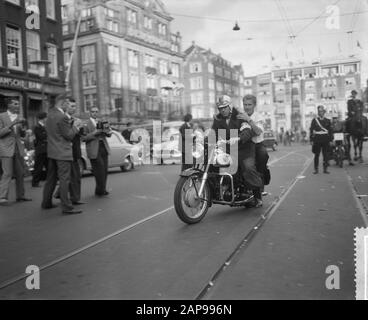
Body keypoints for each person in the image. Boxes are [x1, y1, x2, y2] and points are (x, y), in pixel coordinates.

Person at [212, 95, 263, 208]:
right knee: (214, 162)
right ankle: (220, 188)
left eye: (225, 107)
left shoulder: (240, 115)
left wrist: (239, 137)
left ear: (230, 106)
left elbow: (247, 130)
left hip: (245, 149)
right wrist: (202, 139)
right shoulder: (218, 119)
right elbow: (213, 133)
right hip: (229, 150)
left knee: (248, 167)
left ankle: (257, 195)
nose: (223, 110)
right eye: (220, 108)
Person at [41, 94, 82, 215]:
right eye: (67, 104)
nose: (67, 106)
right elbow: (68, 136)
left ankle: (46, 202)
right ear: (62, 103)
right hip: (62, 152)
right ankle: (66, 207)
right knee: (65, 180)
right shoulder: (62, 117)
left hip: (52, 152)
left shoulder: (49, 115)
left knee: (51, 179)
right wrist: (76, 127)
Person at [237, 95, 270, 203]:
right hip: (245, 145)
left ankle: (259, 192)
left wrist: (249, 120)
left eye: (249, 104)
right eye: (245, 104)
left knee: (263, 155)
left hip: (257, 144)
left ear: (254, 105)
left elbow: (258, 132)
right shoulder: (239, 116)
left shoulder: (258, 117)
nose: (247, 107)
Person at [0, 98, 32, 206]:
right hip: (6, 149)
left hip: (18, 148)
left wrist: (23, 129)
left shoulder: (19, 117)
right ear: (9, 105)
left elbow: (21, 135)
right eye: (15, 104)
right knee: (7, 173)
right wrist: (12, 124)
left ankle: (20, 196)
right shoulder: (1, 116)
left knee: (20, 173)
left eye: (18, 104)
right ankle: (2, 197)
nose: (17, 105)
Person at [83, 106, 112, 197]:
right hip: (94, 149)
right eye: (93, 111)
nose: (95, 113)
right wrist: (95, 133)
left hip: (103, 147)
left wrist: (108, 132)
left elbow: (108, 134)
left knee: (104, 170)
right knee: (99, 171)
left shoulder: (102, 122)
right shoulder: (86, 124)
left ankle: (101, 189)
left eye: (96, 111)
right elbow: (83, 138)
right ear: (90, 113)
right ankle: (100, 190)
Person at [310, 105, 333, 174]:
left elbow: (330, 131)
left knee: (325, 155)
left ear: (324, 112)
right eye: (319, 111)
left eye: (322, 111)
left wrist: (331, 140)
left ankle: (325, 169)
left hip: (325, 140)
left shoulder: (328, 121)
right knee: (316, 155)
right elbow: (311, 130)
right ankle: (316, 169)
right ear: (318, 112)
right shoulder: (314, 121)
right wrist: (311, 139)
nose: (321, 113)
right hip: (317, 139)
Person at [346, 90, 364, 165]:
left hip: (359, 114)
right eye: (353, 94)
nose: (354, 95)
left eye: (355, 94)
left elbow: (362, 107)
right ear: (351, 94)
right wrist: (351, 112)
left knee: (365, 119)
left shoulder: (359, 101)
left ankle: (365, 132)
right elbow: (348, 108)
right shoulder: (349, 101)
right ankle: (348, 131)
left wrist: (360, 111)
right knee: (347, 121)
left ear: (356, 94)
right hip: (352, 115)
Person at [32, 112, 48, 188]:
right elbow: (41, 136)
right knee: (38, 167)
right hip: (40, 150)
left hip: (47, 149)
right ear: (43, 118)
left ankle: (51, 181)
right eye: (46, 117)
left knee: (50, 167)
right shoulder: (37, 127)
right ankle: (35, 182)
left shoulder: (46, 126)